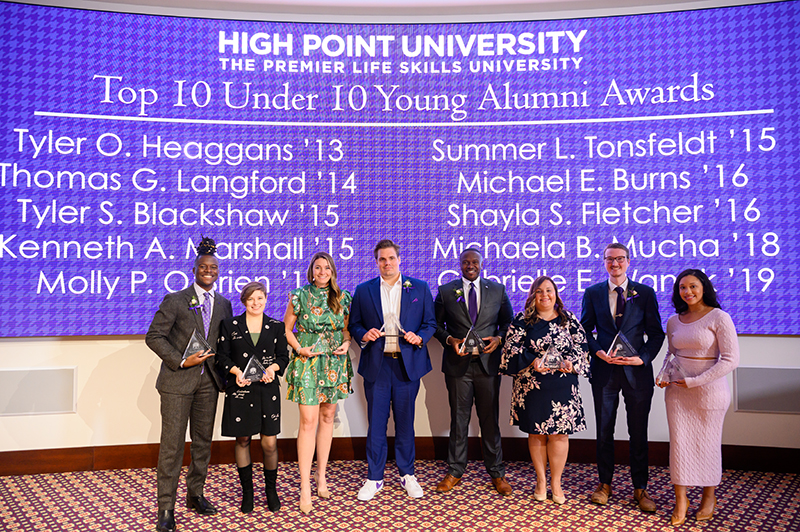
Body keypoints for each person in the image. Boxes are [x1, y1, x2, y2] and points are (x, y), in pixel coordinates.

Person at [145, 237, 233, 532]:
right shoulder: (176, 299)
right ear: (194, 269)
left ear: (218, 271)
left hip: (209, 383)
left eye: (214, 267)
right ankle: (166, 508)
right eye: (204, 267)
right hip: (176, 382)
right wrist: (182, 360)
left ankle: (195, 494)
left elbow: (225, 344)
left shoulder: (224, 304)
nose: (209, 271)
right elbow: (154, 336)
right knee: (171, 447)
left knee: (202, 445)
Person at [348, 239, 436, 501]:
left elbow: (430, 323)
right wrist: (365, 334)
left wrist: (419, 337)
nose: (387, 263)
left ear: (399, 260)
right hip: (378, 366)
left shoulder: (419, 287)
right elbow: (355, 325)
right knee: (376, 424)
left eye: (391, 258)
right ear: (376, 262)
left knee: (406, 423)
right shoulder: (364, 290)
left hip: (406, 367)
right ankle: (374, 478)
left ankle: (407, 474)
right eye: (382, 260)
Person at [580, 242, 665, 512]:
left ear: (629, 261)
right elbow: (584, 331)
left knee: (638, 432)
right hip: (604, 371)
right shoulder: (592, 292)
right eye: (609, 259)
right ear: (604, 262)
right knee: (604, 431)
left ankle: (640, 488)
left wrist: (643, 358)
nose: (614, 264)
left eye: (619, 259)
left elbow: (656, 333)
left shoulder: (646, 293)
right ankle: (604, 484)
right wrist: (598, 352)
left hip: (636, 373)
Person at [657, 269, 739, 526]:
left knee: (707, 445)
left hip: (709, 393)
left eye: (693, 286)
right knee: (679, 445)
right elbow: (671, 355)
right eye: (682, 287)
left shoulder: (719, 317)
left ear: (704, 287)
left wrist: (695, 382)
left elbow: (730, 360)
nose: (688, 291)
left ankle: (708, 498)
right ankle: (681, 500)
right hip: (678, 394)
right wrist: (663, 374)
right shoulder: (674, 320)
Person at [500, 276, 590, 504]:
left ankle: (556, 483)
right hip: (533, 386)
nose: (545, 295)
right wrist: (531, 361)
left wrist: (571, 363)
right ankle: (541, 481)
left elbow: (582, 348)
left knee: (560, 434)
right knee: (537, 433)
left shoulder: (568, 319)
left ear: (556, 294)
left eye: (549, 290)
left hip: (562, 387)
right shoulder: (522, 320)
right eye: (539, 291)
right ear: (533, 295)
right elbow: (509, 352)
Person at [433, 248, 514, 495]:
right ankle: (455, 471)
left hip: (488, 366)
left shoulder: (497, 290)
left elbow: (508, 322)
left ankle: (497, 473)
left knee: (490, 419)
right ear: (460, 265)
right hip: (458, 367)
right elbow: (435, 325)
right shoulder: (446, 291)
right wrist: (450, 341)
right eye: (466, 262)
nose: (470, 265)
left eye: (475, 262)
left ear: (481, 264)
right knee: (459, 420)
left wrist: (499, 339)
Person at [283, 251, 354, 514]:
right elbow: (287, 329)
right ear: (311, 271)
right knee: (308, 422)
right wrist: (300, 349)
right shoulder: (298, 295)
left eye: (327, 268)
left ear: (333, 271)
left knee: (327, 418)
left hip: (334, 364)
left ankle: (321, 476)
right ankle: (304, 486)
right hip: (308, 363)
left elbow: (346, 329)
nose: (322, 272)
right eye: (318, 267)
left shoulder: (343, 297)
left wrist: (347, 343)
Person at [215, 282, 289, 514]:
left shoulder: (276, 326)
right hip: (241, 389)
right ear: (244, 301)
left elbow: (283, 357)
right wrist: (236, 373)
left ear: (266, 298)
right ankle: (247, 493)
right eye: (251, 299)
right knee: (243, 440)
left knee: (269, 442)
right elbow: (222, 357)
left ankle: (271, 491)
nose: (256, 303)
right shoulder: (229, 325)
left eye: (260, 298)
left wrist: (273, 369)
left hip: (267, 389)